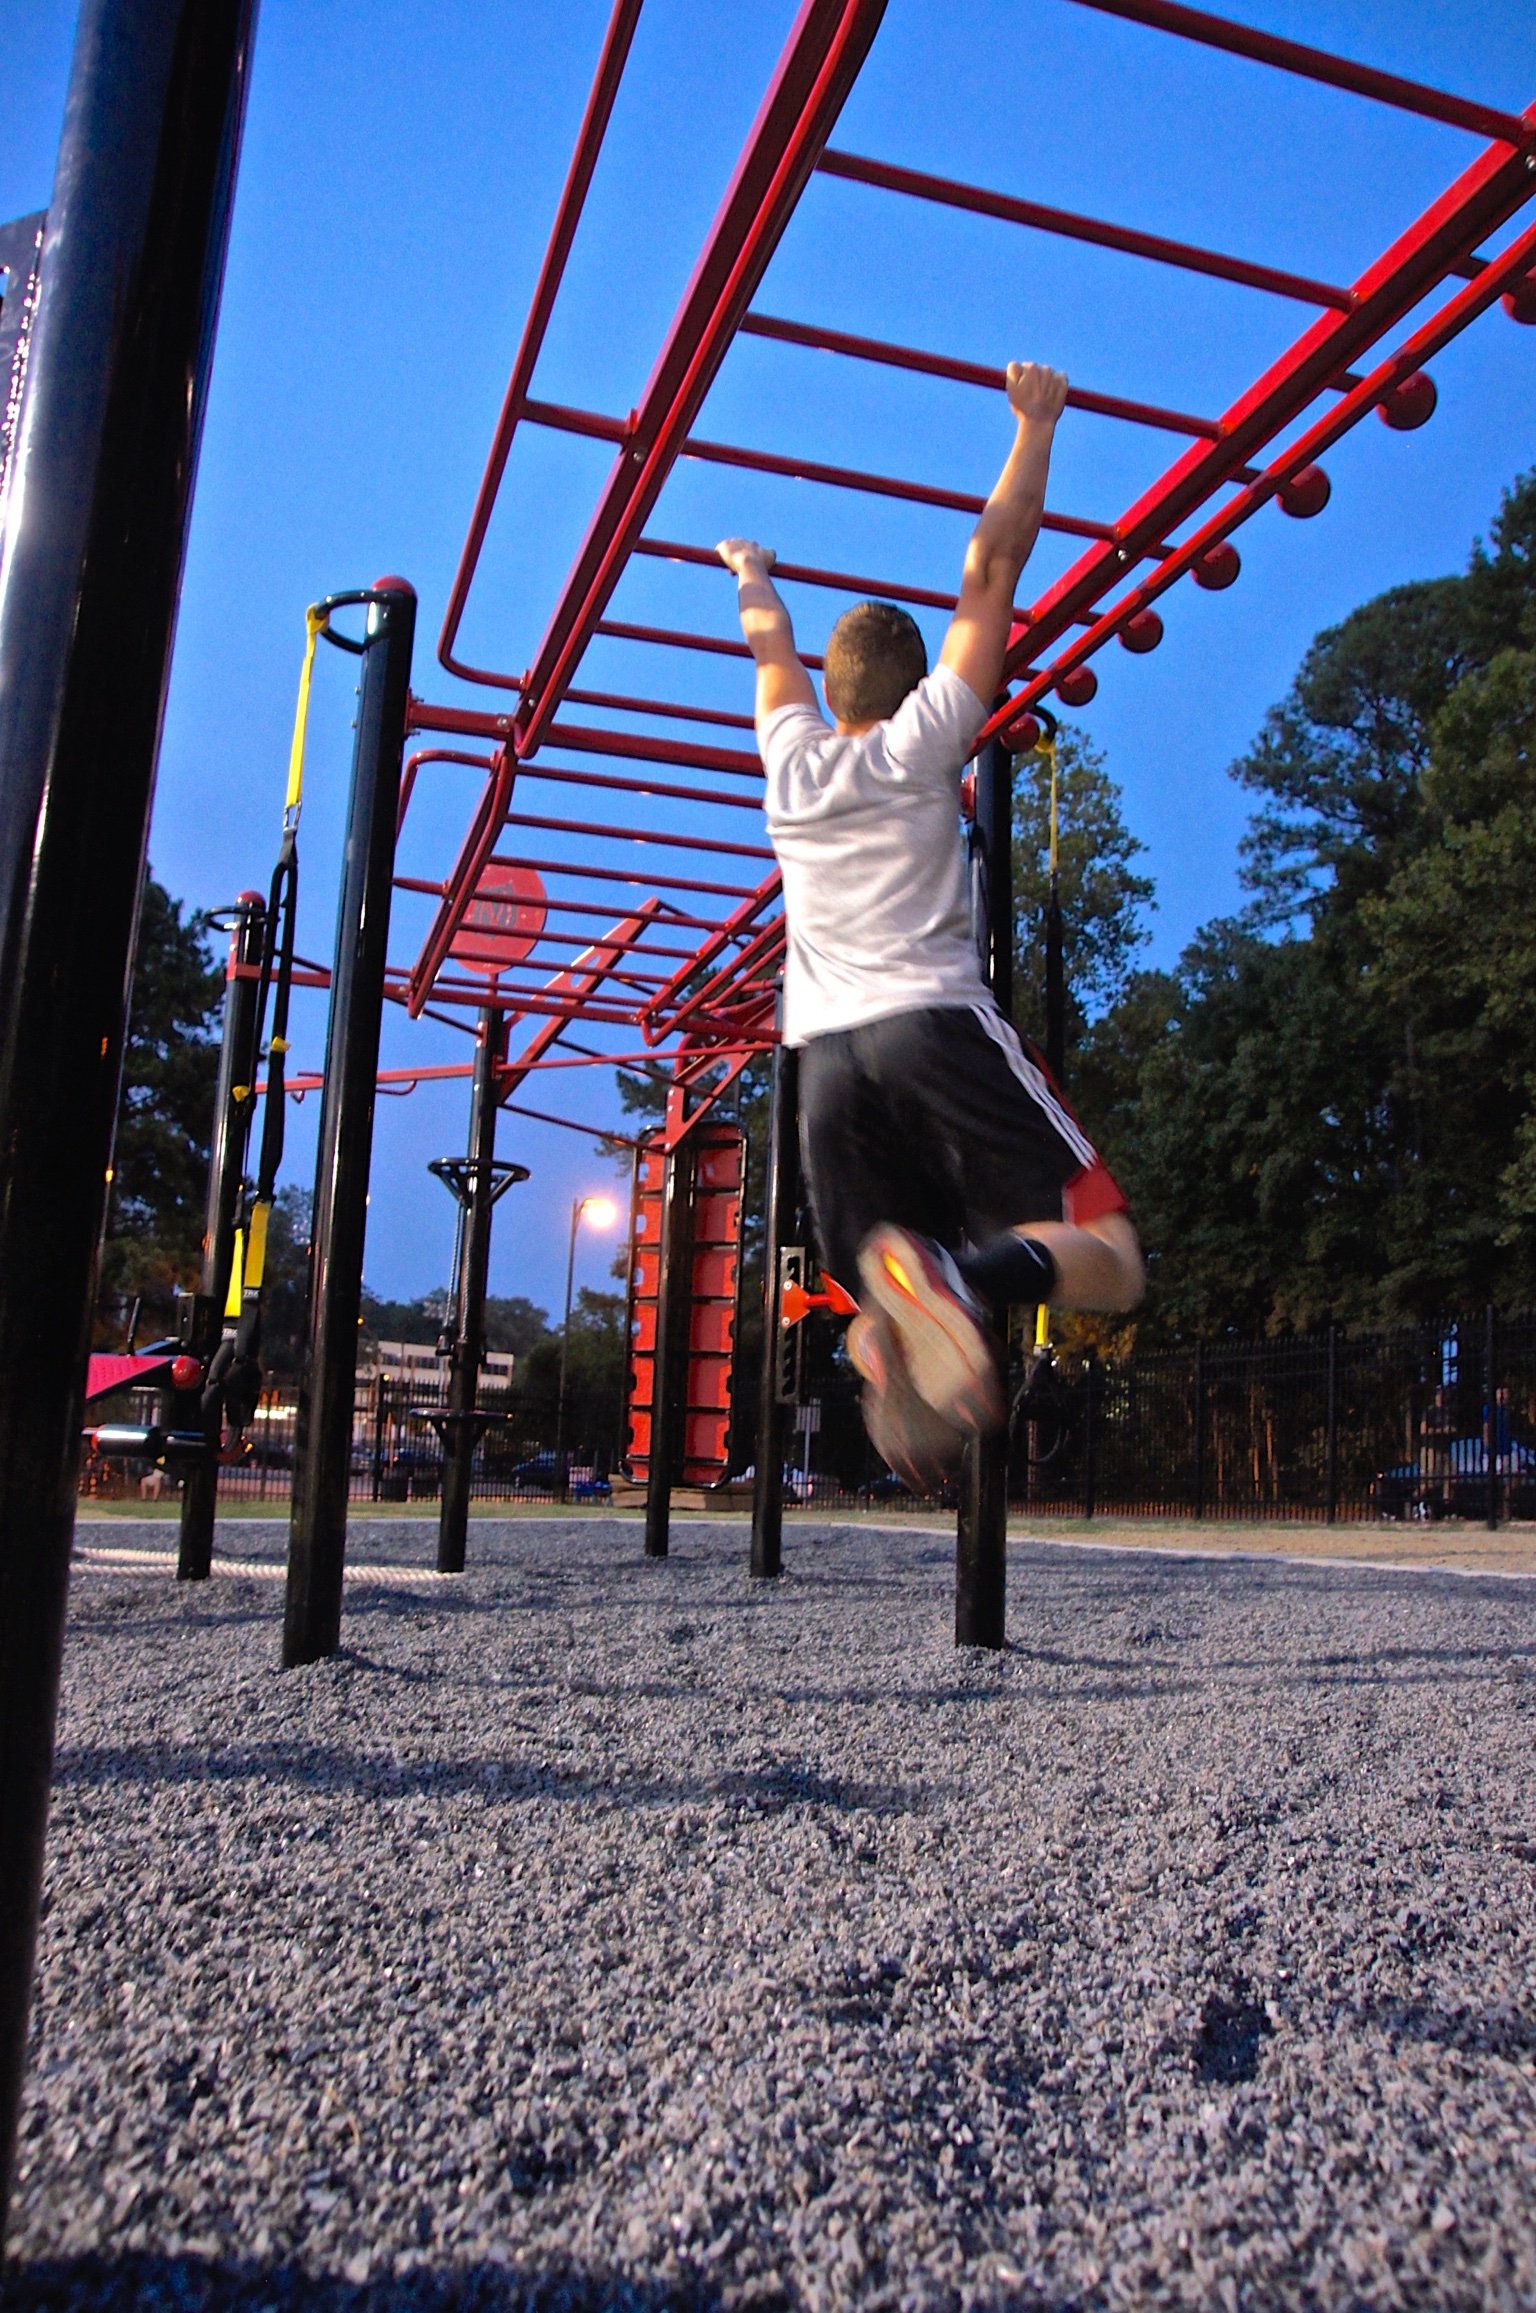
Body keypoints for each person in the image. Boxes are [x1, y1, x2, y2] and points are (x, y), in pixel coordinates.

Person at [717, 359, 1144, 1490]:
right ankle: (955, 1285)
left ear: (830, 688)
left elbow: (767, 646)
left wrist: (752, 571)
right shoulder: (922, 745)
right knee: (1111, 1257)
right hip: (927, 1025)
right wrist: (1035, 425)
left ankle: (907, 1327)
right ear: (913, 694)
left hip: (820, 1067)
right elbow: (992, 562)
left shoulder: (789, 763)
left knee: (901, 1285)